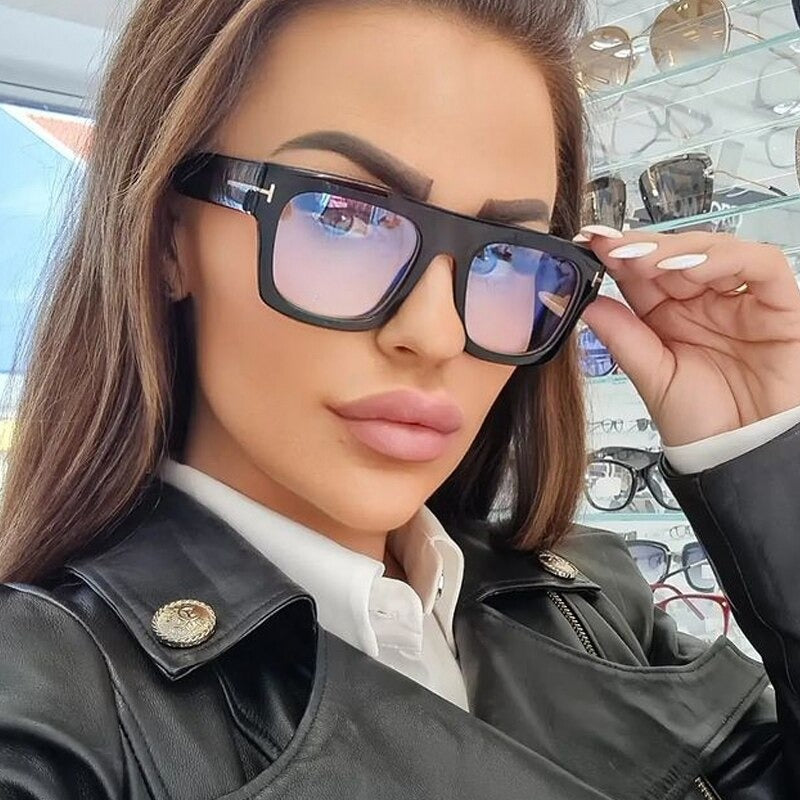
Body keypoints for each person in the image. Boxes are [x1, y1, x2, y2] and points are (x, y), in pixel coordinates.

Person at [0, 0, 798, 797]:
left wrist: (759, 453)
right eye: (346, 216)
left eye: (508, 255)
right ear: (169, 238)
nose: (438, 334)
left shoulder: (587, 598)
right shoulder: (48, 708)